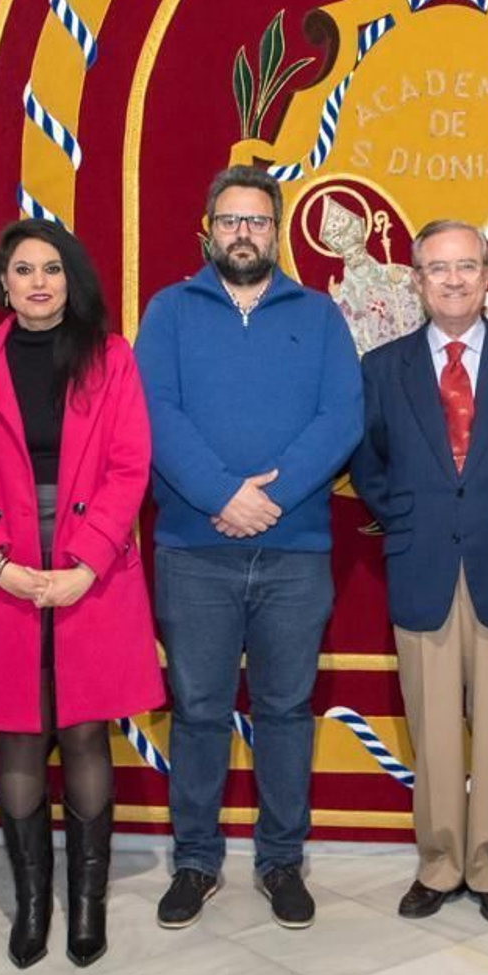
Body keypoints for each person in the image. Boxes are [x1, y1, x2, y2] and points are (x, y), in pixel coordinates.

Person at [135, 165, 362, 931]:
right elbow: (154, 413)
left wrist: (268, 498)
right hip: (194, 551)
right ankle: (195, 861)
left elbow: (341, 418)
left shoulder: (321, 316)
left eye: (257, 221)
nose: (243, 233)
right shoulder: (169, 313)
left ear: (277, 230)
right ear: (207, 231)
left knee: (286, 711)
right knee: (198, 709)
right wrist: (222, 495)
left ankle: (281, 861)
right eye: (230, 220)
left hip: (294, 551)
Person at [0, 219, 162, 968]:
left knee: (88, 730)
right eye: (24, 269)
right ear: (3, 284)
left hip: (90, 565)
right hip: (5, 568)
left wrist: (87, 564)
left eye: (52, 269)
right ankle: (32, 903)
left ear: (72, 280)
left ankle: (86, 905)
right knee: (19, 733)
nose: (38, 282)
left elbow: (131, 468)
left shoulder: (112, 358)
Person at [350, 218, 488, 924]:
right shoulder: (381, 368)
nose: (452, 280)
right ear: (416, 280)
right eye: (437, 269)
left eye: (466, 267)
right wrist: (414, 518)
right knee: (435, 731)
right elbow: (368, 465)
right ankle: (440, 862)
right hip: (421, 568)